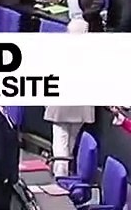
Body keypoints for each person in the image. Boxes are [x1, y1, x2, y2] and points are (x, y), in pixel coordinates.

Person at [44, 20, 94, 175]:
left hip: (60, 106)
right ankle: (66, 174)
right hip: (81, 107)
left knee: (60, 141)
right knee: (70, 141)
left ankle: (61, 176)